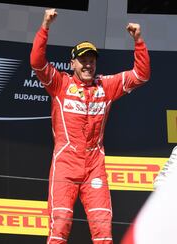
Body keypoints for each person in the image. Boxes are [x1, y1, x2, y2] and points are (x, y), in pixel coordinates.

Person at [30, 9, 150, 244]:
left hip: (94, 167)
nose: (88, 65)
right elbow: (36, 62)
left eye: (91, 60)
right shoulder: (60, 83)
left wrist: (138, 41)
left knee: (103, 230)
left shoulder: (106, 86)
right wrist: (45, 26)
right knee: (60, 225)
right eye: (83, 60)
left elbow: (141, 75)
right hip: (65, 164)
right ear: (72, 62)